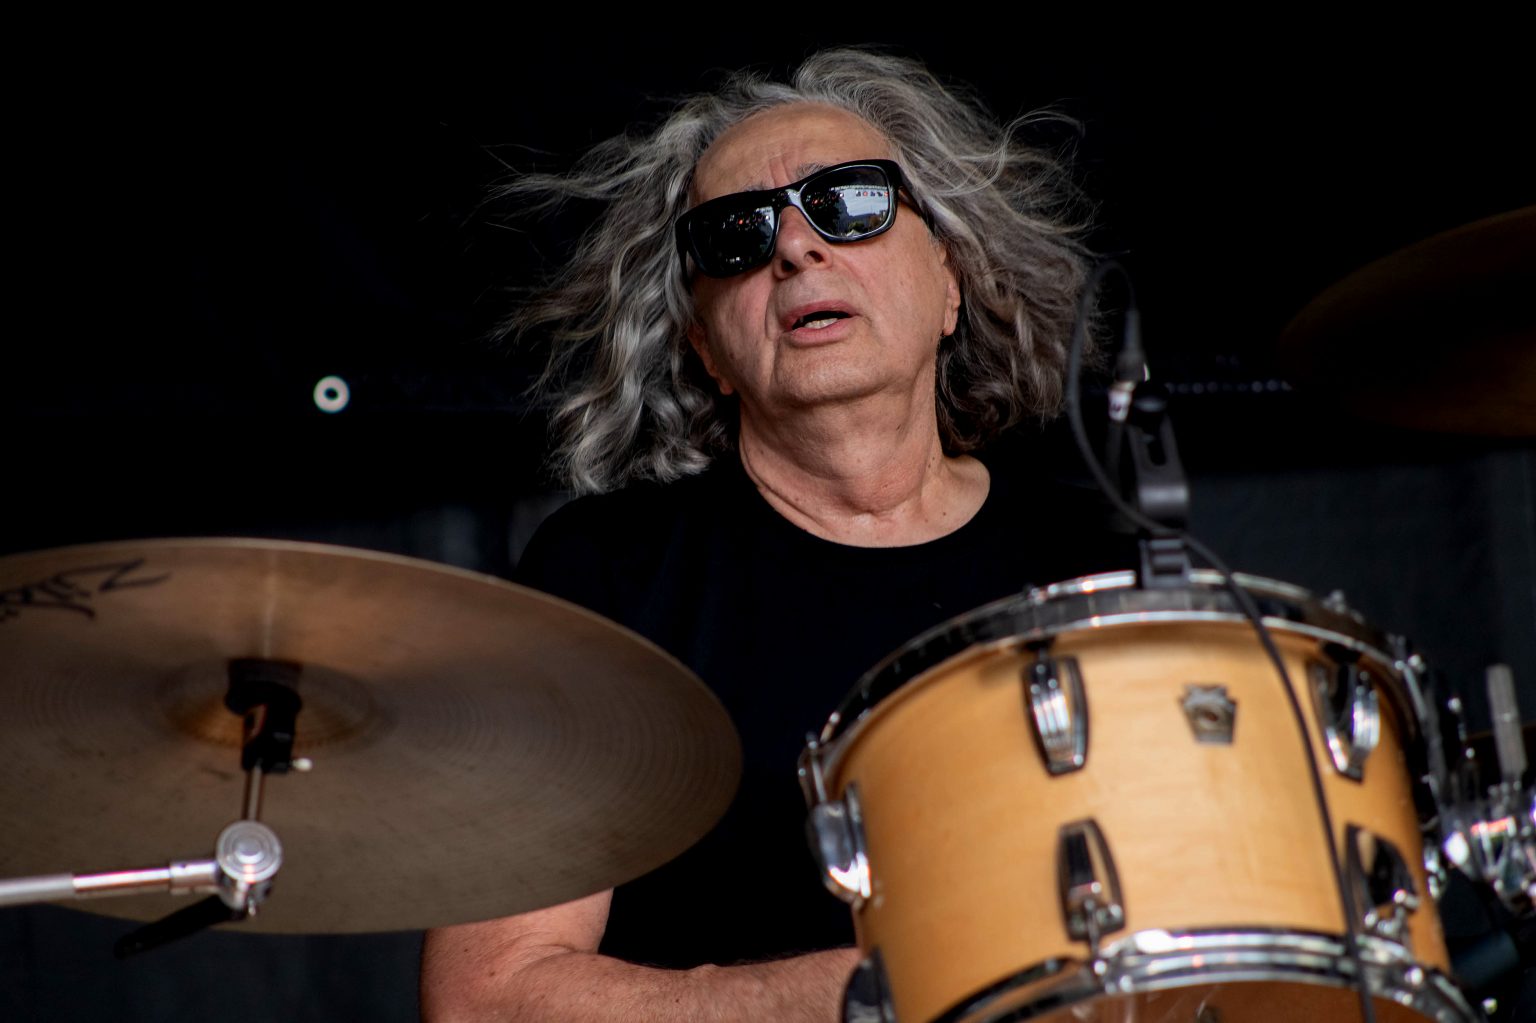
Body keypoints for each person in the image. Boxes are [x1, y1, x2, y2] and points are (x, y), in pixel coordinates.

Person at [421, 48, 1131, 1022]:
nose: (794, 247)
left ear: (951, 279)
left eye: (851, 203)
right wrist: (857, 994)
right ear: (705, 346)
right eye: (736, 234)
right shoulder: (606, 576)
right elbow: (485, 994)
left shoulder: (1091, 562)